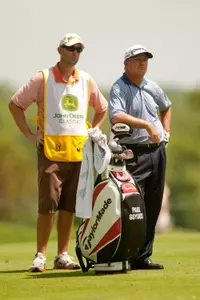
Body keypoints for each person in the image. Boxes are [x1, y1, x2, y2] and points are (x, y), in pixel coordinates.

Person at [8, 33, 108, 272]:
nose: (75, 53)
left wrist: (92, 132)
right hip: (51, 152)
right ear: (59, 50)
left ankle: (62, 255)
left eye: (79, 50)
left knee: (69, 206)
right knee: (48, 205)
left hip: (77, 153)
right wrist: (30, 135)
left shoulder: (85, 80)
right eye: (71, 48)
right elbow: (15, 104)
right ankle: (40, 255)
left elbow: (102, 108)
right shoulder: (42, 78)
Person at [109, 44, 171, 270]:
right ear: (126, 64)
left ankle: (142, 257)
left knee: (153, 203)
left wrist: (166, 132)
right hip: (133, 152)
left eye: (145, 59)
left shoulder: (152, 86)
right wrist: (146, 124)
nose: (142, 62)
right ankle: (125, 253)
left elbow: (166, 107)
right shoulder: (119, 87)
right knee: (133, 204)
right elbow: (116, 116)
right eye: (137, 59)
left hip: (156, 151)